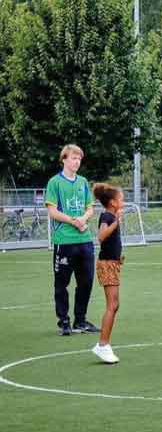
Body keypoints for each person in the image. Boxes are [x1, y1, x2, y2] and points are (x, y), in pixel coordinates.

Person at [45, 144, 99, 336]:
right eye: (74, 158)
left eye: (79, 159)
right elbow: (53, 212)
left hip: (84, 239)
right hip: (64, 241)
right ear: (64, 159)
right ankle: (64, 321)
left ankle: (80, 321)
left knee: (86, 282)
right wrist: (73, 221)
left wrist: (83, 219)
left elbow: (90, 208)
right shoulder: (54, 182)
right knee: (61, 284)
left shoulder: (83, 182)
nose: (77, 162)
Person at [91, 183, 125, 364]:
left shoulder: (111, 216)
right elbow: (101, 236)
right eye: (121, 199)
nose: (123, 202)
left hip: (112, 263)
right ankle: (103, 345)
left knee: (115, 305)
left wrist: (118, 257)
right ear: (112, 202)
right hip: (106, 265)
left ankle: (104, 344)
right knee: (112, 305)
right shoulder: (107, 216)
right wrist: (116, 222)